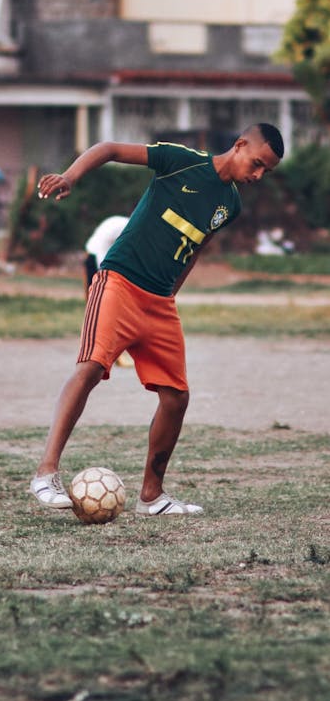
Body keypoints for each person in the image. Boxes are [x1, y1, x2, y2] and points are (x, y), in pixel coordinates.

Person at [29, 123, 284, 514]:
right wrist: (70, 176)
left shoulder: (230, 205)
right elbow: (109, 147)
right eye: (257, 164)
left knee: (176, 396)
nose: (258, 175)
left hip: (160, 301)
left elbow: (196, 246)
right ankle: (46, 475)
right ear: (239, 145)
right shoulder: (181, 162)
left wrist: (170, 293)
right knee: (91, 368)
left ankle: (152, 496)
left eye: (266, 171)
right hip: (119, 282)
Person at [84, 215, 134, 368]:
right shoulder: (126, 228)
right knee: (99, 308)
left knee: (101, 308)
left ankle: (105, 352)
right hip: (94, 256)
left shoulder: (127, 226)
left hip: (96, 254)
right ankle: (100, 353)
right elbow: (102, 256)